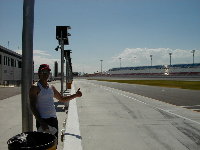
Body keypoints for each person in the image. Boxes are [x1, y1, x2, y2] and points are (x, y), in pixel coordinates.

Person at [29, 64, 82, 140]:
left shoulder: (51, 87)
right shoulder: (35, 87)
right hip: (43, 120)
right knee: (45, 144)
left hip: (53, 120)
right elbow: (32, 106)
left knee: (54, 143)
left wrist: (75, 95)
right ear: (39, 73)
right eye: (43, 72)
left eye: (47, 72)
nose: (46, 74)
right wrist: (41, 122)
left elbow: (62, 99)